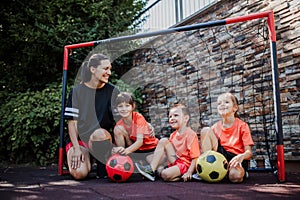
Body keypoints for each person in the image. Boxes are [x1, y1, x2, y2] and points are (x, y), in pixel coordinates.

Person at [64, 53, 119, 180]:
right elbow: (72, 123)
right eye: (105, 69)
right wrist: (76, 149)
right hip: (80, 141)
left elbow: (119, 123)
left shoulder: (113, 91)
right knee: (79, 174)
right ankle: (80, 157)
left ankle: (101, 165)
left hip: (102, 139)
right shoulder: (77, 92)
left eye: (110, 69)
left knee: (99, 134)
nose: (109, 72)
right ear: (93, 69)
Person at [135, 104, 200, 182]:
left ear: (186, 118)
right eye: (170, 117)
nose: (172, 118)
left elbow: (195, 157)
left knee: (164, 174)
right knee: (160, 145)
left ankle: (153, 171)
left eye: (176, 115)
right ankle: (152, 170)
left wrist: (189, 171)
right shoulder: (173, 135)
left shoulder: (190, 134)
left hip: (185, 165)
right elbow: (168, 153)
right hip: (175, 161)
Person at [199, 92, 254, 183]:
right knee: (205, 130)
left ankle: (239, 172)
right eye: (219, 103)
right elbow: (209, 147)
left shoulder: (242, 126)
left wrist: (242, 156)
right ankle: (207, 168)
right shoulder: (215, 127)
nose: (222, 105)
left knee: (235, 177)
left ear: (235, 108)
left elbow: (249, 153)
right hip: (220, 157)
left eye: (226, 102)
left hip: (236, 158)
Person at [112, 92, 158, 162]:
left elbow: (139, 142)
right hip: (136, 150)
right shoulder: (119, 124)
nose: (124, 109)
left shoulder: (138, 117)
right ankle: (123, 160)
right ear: (116, 108)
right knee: (117, 129)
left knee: (151, 162)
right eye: (120, 106)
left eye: (127, 106)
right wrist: (118, 150)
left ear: (133, 106)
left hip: (150, 148)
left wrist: (125, 151)